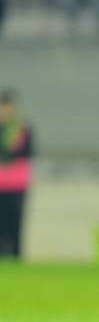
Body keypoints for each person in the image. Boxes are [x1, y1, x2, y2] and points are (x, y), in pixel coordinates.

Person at [0, 89, 34, 258]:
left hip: (17, 183)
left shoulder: (22, 127)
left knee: (15, 223)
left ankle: (16, 256)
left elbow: (28, 151)